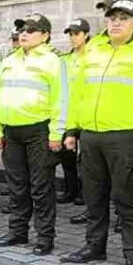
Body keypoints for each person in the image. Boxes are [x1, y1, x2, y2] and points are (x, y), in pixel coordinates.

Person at [61, 0, 133, 265]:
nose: (116, 23)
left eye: (123, 19)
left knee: (128, 198)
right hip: (91, 135)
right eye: (112, 18)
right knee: (94, 195)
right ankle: (94, 246)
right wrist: (72, 130)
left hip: (126, 136)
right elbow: (79, 93)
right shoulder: (94, 50)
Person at [0, 14, 68, 255]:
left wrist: (56, 133)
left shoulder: (53, 61)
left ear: (45, 35)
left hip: (39, 130)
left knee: (41, 187)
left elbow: (61, 99)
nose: (23, 34)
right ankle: (18, 231)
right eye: (22, 29)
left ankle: (45, 237)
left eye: (31, 30)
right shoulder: (10, 60)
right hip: (11, 131)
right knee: (17, 185)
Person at [60, 18, 90, 205]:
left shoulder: (93, 57)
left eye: (76, 34)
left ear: (86, 35)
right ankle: (70, 189)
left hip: (85, 112)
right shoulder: (65, 59)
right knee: (66, 156)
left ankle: (84, 193)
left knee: (85, 159)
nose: (72, 38)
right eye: (70, 34)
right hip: (68, 112)